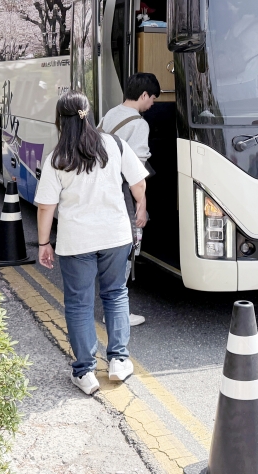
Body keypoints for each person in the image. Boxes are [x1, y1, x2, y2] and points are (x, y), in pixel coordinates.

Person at [35, 92, 148, 396]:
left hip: (76, 242)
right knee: (115, 294)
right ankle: (119, 361)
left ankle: (85, 372)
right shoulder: (113, 144)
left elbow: (46, 206)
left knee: (79, 304)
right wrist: (141, 206)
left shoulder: (57, 157)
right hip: (115, 236)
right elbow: (138, 182)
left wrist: (44, 243)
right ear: (90, 113)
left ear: (61, 120)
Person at [99, 72, 161, 327]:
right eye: (153, 99)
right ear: (144, 95)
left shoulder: (111, 113)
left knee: (109, 248)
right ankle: (115, 311)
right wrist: (142, 207)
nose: (153, 104)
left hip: (104, 188)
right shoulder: (139, 124)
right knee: (127, 246)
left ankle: (110, 306)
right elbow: (137, 171)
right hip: (124, 191)